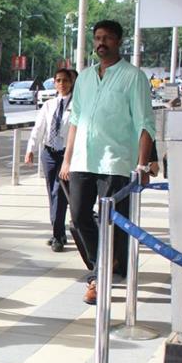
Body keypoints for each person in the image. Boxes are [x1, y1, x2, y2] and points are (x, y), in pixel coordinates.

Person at [60, 20, 155, 305]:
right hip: (82, 161)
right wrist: (67, 159)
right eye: (98, 38)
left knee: (110, 224)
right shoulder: (85, 78)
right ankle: (104, 262)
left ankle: (97, 278)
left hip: (115, 162)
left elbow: (145, 124)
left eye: (108, 38)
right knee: (78, 217)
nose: (101, 43)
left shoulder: (133, 77)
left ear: (118, 42)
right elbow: (75, 120)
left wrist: (142, 165)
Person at [24, 68, 76, 251]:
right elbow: (39, 128)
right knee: (52, 193)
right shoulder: (49, 105)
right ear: (54, 83)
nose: (62, 84)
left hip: (66, 154)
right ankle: (59, 232)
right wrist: (31, 149)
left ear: (71, 83)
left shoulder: (77, 105)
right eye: (58, 81)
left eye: (65, 80)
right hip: (49, 153)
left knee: (59, 194)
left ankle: (57, 236)